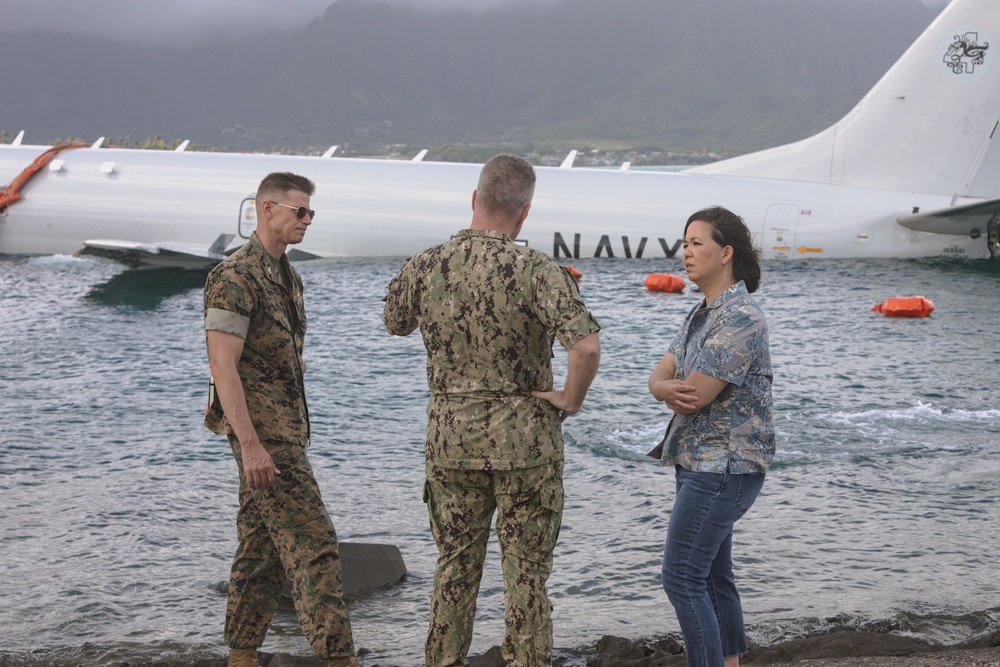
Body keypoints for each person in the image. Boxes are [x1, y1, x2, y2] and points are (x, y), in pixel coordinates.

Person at [382, 154, 601, 667]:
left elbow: (393, 321)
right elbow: (586, 347)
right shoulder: (537, 270)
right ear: (524, 214)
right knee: (525, 575)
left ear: (474, 200)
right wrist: (570, 401)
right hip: (525, 444)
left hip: (451, 443)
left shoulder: (426, 263)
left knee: (454, 567)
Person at [203, 172, 359, 667]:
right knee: (315, 544)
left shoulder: (288, 276)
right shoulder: (234, 277)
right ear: (266, 209)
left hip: (287, 430)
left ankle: (241, 655)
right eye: (299, 211)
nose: (307, 220)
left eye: (311, 212)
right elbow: (222, 368)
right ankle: (340, 659)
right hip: (263, 436)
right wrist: (250, 446)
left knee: (261, 549)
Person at [646, 206, 774, 667]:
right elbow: (660, 377)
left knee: (681, 576)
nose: (686, 252)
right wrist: (663, 388)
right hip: (699, 462)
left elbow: (694, 394)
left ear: (725, 253)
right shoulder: (701, 314)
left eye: (697, 243)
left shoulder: (740, 317)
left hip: (724, 468)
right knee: (714, 578)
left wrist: (669, 387)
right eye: (684, 244)